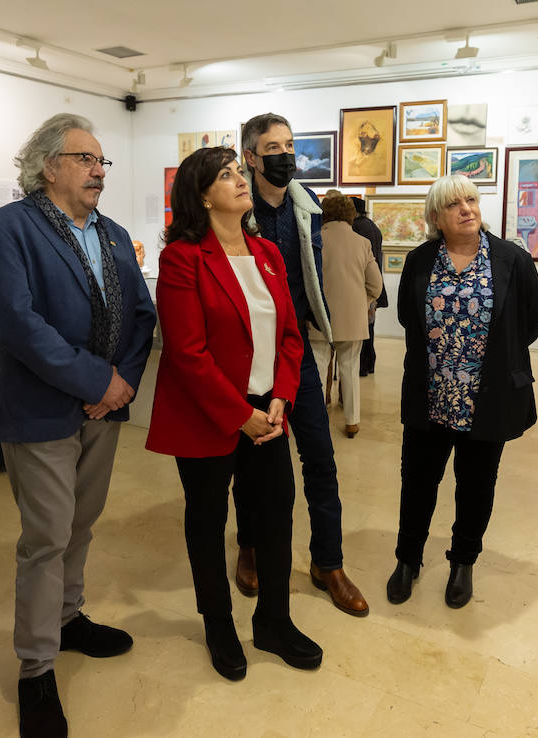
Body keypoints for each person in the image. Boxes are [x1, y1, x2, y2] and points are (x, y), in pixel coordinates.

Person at [0, 112, 155, 738]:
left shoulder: (110, 233)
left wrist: (121, 382)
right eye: (86, 159)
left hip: (103, 408)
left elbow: (140, 311)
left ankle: (70, 618)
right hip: (42, 409)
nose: (99, 170)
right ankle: (36, 668)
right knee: (47, 536)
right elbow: (18, 324)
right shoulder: (7, 229)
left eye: (103, 161)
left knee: (82, 522)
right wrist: (94, 380)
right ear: (49, 166)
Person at [146, 146, 321, 682]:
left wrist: (279, 400)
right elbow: (186, 352)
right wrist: (238, 413)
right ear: (202, 195)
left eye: (238, 172)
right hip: (209, 414)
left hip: (268, 413)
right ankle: (218, 623)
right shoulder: (183, 257)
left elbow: (290, 336)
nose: (241, 181)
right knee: (207, 521)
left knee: (275, 514)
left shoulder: (266, 251)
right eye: (226, 176)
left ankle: (274, 619)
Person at [387, 174, 538, 609]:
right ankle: (407, 559)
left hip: (487, 398)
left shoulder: (511, 259)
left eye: (472, 199)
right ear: (436, 216)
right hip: (431, 396)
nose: (467, 209)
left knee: (476, 486)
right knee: (417, 483)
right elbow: (408, 317)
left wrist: (495, 356)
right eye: (454, 203)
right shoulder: (420, 261)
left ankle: (463, 563)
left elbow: (534, 317)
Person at [235, 113, 368, 617]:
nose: (285, 155)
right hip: (249, 358)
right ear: (250, 156)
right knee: (251, 460)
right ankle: (248, 545)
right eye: (273, 146)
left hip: (298, 352)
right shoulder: (234, 209)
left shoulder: (306, 206)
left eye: (290, 145)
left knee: (320, 458)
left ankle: (327, 562)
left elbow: (311, 278)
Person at [318, 194, 381, 437]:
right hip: (352, 318)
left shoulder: (314, 240)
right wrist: (360, 303)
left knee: (318, 368)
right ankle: (352, 422)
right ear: (351, 215)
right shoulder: (362, 242)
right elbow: (375, 285)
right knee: (350, 369)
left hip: (319, 315)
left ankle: (317, 418)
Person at [352, 196, 387, 376]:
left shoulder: (357, 227)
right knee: (369, 328)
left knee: (363, 330)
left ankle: (363, 366)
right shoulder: (373, 226)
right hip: (374, 285)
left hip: (363, 287)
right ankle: (369, 364)